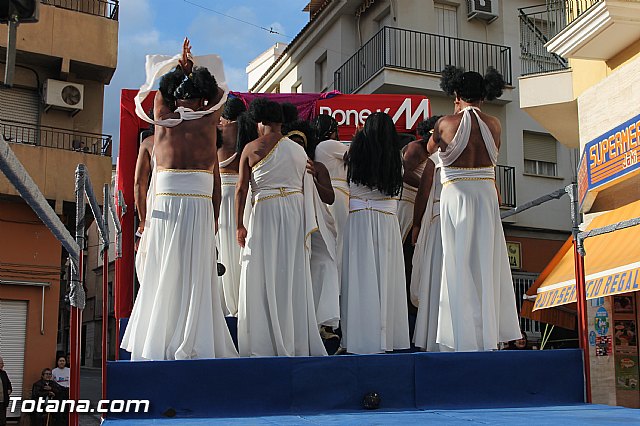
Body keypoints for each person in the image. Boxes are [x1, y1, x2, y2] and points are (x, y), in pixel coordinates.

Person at [122, 38, 238, 360]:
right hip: (199, 201)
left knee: (163, 269)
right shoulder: (209, 120)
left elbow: (161, 92)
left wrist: (179, 68)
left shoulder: (162, 120)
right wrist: (196, 69)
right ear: (203, 98)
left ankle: (158, 338)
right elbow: (219, 94)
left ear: (175, 97)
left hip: (169, 200)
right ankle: (191, 338)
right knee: (197, 271)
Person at [428, 66, 521, 351]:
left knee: (457, 262)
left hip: (456, 195)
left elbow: (430, 148)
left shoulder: (445, 123)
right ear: (483, 96)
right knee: (487, 261)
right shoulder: (495, 124)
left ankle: (460, 335)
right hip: (484, 194)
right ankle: (488, 334)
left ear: (456, 94)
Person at [235, 98, 327, 357]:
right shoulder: (299, 151)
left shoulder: (252, 148)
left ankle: (263, 341)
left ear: (260, 122)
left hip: (265, 211)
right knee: (292, 271)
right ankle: (294, 338)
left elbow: (241, 189)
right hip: (295, 214)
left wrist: (239, 225)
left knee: (262, 270)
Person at [340, 112, 410, 354]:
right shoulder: (396, 160)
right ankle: (386, 337)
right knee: (386, 278)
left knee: (360, 278)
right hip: (387, 222)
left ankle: (359, 337)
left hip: (360, 221)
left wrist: (359, 135)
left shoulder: (354, 155)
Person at [284, 119, 340, 338]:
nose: (297, 147)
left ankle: (323, 322)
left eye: (301, 143)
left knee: (326, 262)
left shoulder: (318, 167)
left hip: (318, 225)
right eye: (293, 143)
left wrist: (312, 180)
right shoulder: (281, 164)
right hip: (293, 223)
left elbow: (330, 197)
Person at [409, 116, 446, 352]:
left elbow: (423, 192)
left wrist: (417, 224)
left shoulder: (435, 159)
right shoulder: (480, 157)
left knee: (436, 276)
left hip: (438, 220)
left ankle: (434, 335)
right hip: (467, 220)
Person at [216, 96, 247, 317]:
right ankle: (242, 299)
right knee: (241, 248)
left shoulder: (216, 132)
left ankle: (226, 303)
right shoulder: (248, 131)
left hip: (222, 191)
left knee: (224, 247)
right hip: (243, 193)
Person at [312, 114, 349, 291]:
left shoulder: (318, 147)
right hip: (338, 195)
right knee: (340, 242)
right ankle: (339, 287)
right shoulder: (329, 144)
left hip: (328, 194)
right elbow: (355, 155)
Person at [397, 117, 441, 243]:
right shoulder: (416, 148)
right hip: (408, 203)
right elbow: (405, 174)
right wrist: (427, 186)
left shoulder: (434, 152)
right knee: (407, 243)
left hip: (422, 202)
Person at [134, 115, 155, 278]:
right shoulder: (191, 139)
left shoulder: (149, 143)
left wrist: (142, 220)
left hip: (156, 203)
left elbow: (139, 184)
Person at [0, 356, 12, 426]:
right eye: (1, 363)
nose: (3, 365)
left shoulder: (3, 373)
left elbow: (8, 383)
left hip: (2, 400)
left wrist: (9, 389)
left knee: (2, 419)